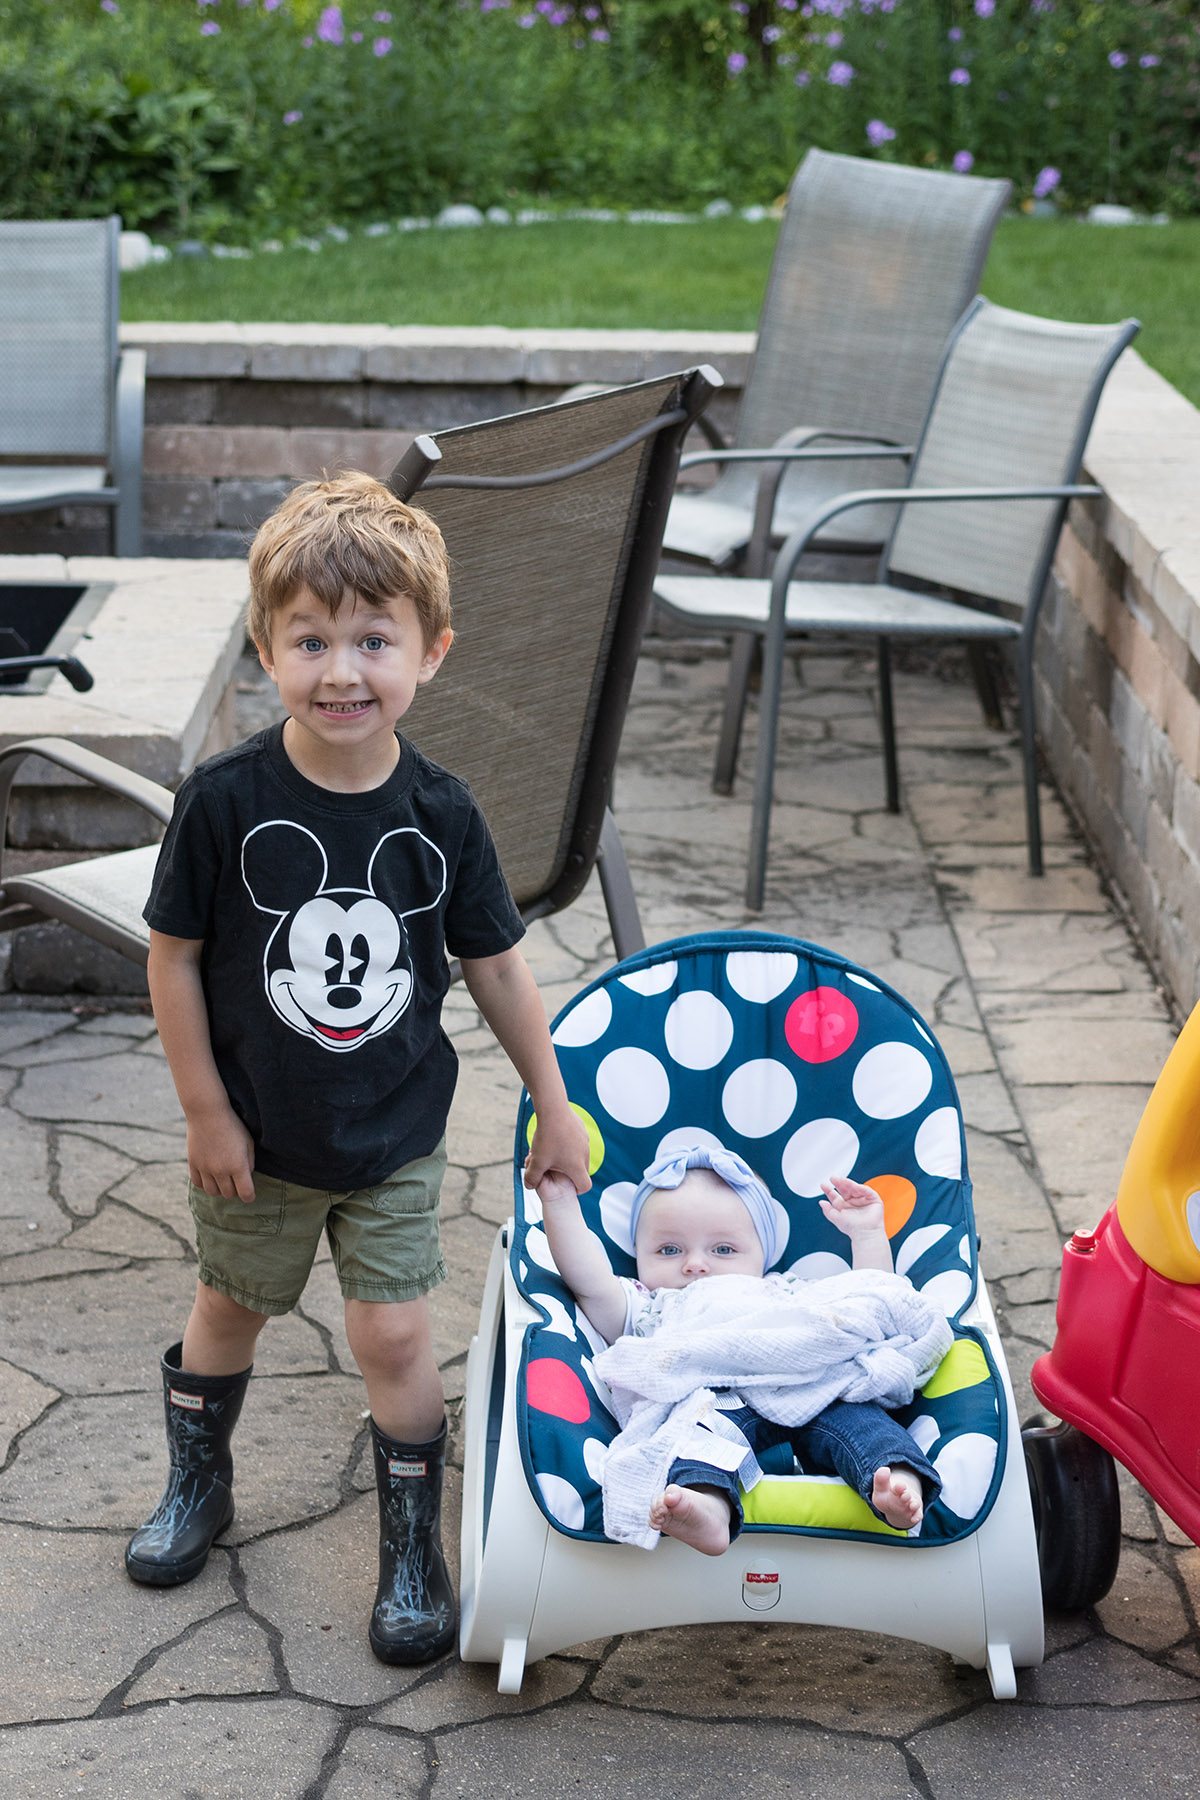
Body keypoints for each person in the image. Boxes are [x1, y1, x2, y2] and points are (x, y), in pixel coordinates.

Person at [126, 472, 591, 1665]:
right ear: (264, 648)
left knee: (392, 1338)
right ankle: (197, 1484)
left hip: (392, 1132)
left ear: (431, 653)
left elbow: (496, 968)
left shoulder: (442, 812)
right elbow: (173, 959)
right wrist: (204, 1111)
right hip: (255, 1137)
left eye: (374, 641)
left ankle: (411, 1545)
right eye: (311, 640)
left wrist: (554, 1101)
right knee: (229, 1308)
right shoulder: (224, 804)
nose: (343, 671)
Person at [538, 1144, 945, 1556]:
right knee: (693, 1439)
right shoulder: (649, 1304)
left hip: (812, 1389)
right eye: (669, 1250)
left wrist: (868, 1234)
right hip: (716, 1402)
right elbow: (590, 1282)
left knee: (864, 1424)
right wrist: (558, 1203)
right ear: (638, 1255)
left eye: (723, 1250)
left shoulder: (787, 1289)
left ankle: (896, 1480)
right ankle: (709, 1507)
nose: (695, 1264)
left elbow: (871, 1301)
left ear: (763, 1255)